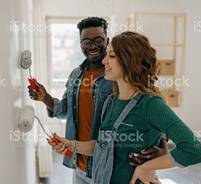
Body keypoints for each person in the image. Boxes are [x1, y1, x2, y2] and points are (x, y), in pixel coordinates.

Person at [47, 31, 201, 184]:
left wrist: (146, 167)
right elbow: (102, 146)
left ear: (130, 61)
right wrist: (71, 145)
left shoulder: (150, 104)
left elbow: (194, 150)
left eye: (112, 56)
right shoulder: (111, 101)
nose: (104, 61)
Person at [28, 17, 166, 184]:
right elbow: (64, 110)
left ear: (107, 40)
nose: (93, 46)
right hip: (80, 164)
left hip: (111, 167)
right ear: (80, 44)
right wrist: (45, 98)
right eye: (86, 42)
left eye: (98, 40)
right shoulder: (75, 75)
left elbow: (151, 110)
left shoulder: (119, 75)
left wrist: (163, 148)